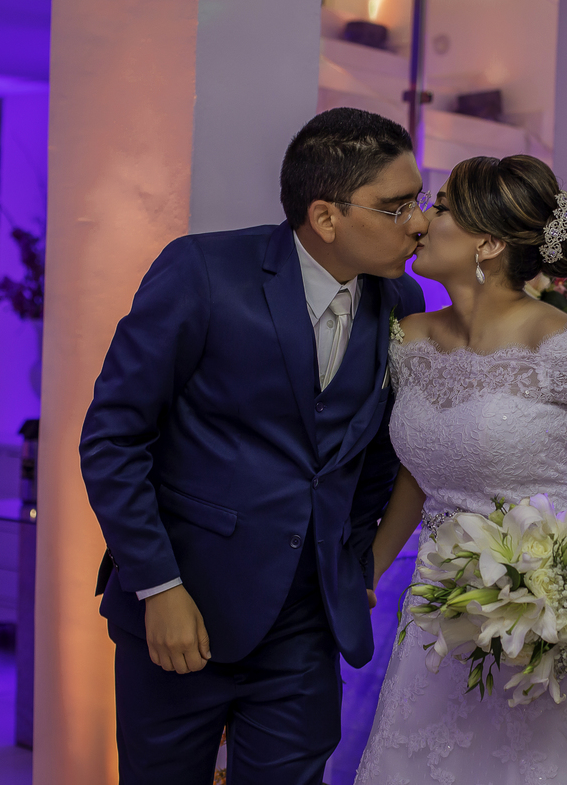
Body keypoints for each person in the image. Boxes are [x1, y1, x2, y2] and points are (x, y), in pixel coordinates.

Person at [80, 107, 427, 785]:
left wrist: (356, 562)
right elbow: (114, 436)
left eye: (419, 200)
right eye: (396, 207)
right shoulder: (204, 271)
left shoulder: (401, 302)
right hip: (185, 605)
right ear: (326, 217)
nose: (417, 222)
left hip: (306, 625)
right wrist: (159, 585)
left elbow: (378, 454)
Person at [354, 155, 567, 784]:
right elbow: (420, 472)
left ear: (488, 244)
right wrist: (370, 570)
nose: (422, 221)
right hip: (439, 618)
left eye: (441, 208)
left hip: (550, 624)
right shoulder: (409, 339)